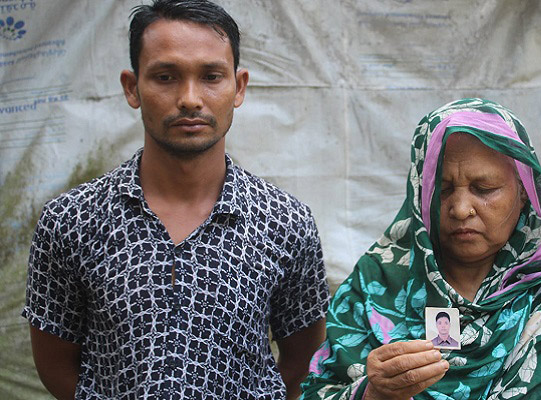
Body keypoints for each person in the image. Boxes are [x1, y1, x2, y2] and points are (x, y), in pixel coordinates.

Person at [22, 1, 329, 399]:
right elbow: (55, 364)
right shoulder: (71, 220)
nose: (189, 98)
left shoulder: (285, 222)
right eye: (165, 76)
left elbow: (302, 362)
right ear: (132, 88)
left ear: (238, 87)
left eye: (211, 76)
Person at [301, 99, 541, 400]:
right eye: (442, 190)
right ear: (420, 197)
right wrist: (371, 394)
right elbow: (317, 391)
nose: (461, 209)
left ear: (524, 193)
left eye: (484, 188)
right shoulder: (378, 284)